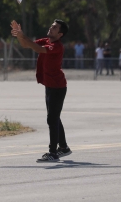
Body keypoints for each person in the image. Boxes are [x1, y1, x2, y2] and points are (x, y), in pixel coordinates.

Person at [11, 19, 71, 162]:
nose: (51, 28)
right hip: (49, 85)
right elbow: (26, 45)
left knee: (52, 119)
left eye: (55, 27)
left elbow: (37, 49)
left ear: (60, 34)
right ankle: (63, 147)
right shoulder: (47, 40)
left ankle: (53, 152)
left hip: (58, 86)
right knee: (54, 117)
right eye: (51, 25)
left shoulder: (57, 46)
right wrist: (20, 35)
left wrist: (23, 35)